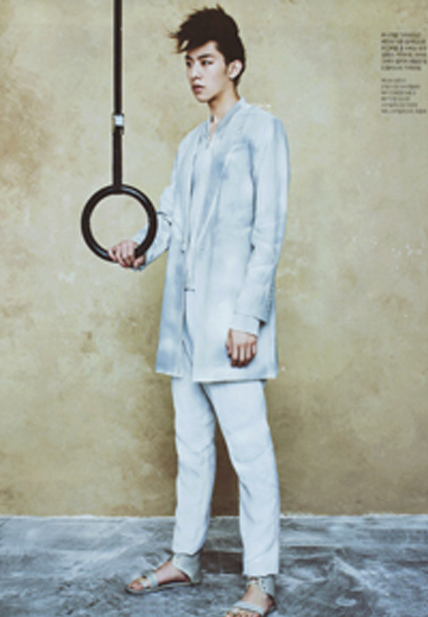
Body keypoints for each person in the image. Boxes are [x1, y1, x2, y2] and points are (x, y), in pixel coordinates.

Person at [109, 6, 289, 617]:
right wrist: (140, 247)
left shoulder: (263, 130)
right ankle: (184, 558)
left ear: (233, 66)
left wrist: (248, 318)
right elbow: (170, 221)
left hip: (232, 325)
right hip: (183, 329)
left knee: (251, 455)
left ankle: (261, 578)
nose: (195, 73)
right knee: (192, 450)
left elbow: (269, 231)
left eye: (206, 61)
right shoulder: (189, 144)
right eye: (189, 63)